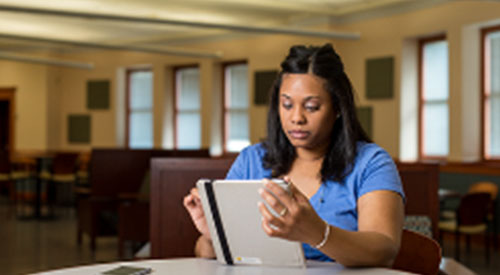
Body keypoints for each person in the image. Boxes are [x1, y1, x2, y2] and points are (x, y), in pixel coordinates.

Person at [184, 44, 405, 267]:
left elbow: (384, 250)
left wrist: (317, 233)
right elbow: (204, 254)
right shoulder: (251, 160)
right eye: (287, 104)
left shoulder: (371, 163)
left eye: (311, 107)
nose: (296, 117)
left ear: (338, 108)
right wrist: (214, 236)